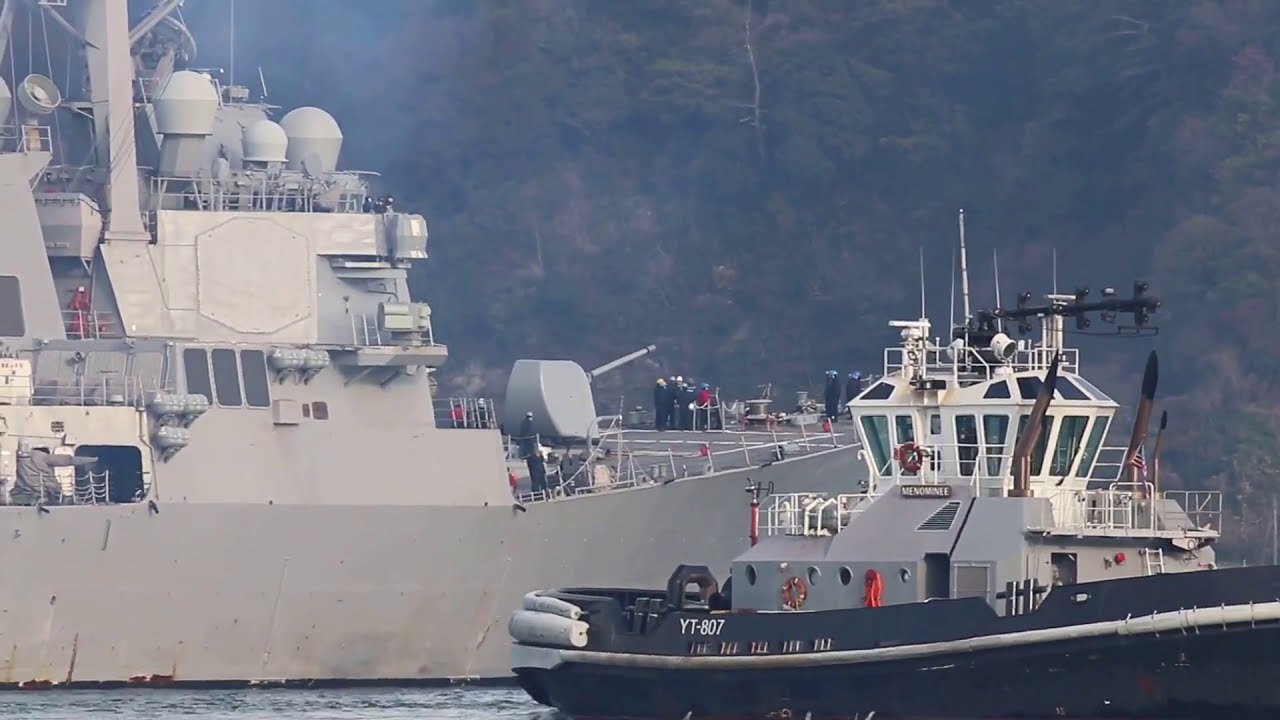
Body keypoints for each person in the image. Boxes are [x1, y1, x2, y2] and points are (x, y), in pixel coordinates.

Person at [11, 439, 99, 506]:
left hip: (37, 494)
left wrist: (91, 460)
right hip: (38, 493)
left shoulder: (22, 458)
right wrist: (93, 460)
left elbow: (67, 460)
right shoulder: (40, 457)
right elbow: (67, 460)